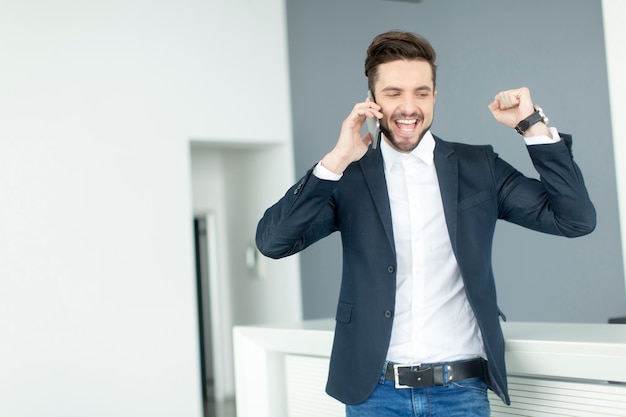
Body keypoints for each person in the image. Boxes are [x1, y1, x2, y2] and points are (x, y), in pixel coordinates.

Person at [255, 30, 596, 416]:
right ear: (372, 102)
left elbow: (575, 219)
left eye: (421, 92)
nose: (408, 107)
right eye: (393, 93)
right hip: (374, 394)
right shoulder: (347, 175)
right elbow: (273, 242)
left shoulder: (477, 167)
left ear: (434, 97)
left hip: (460, 392)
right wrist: (336, 159)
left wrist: (531, 124)